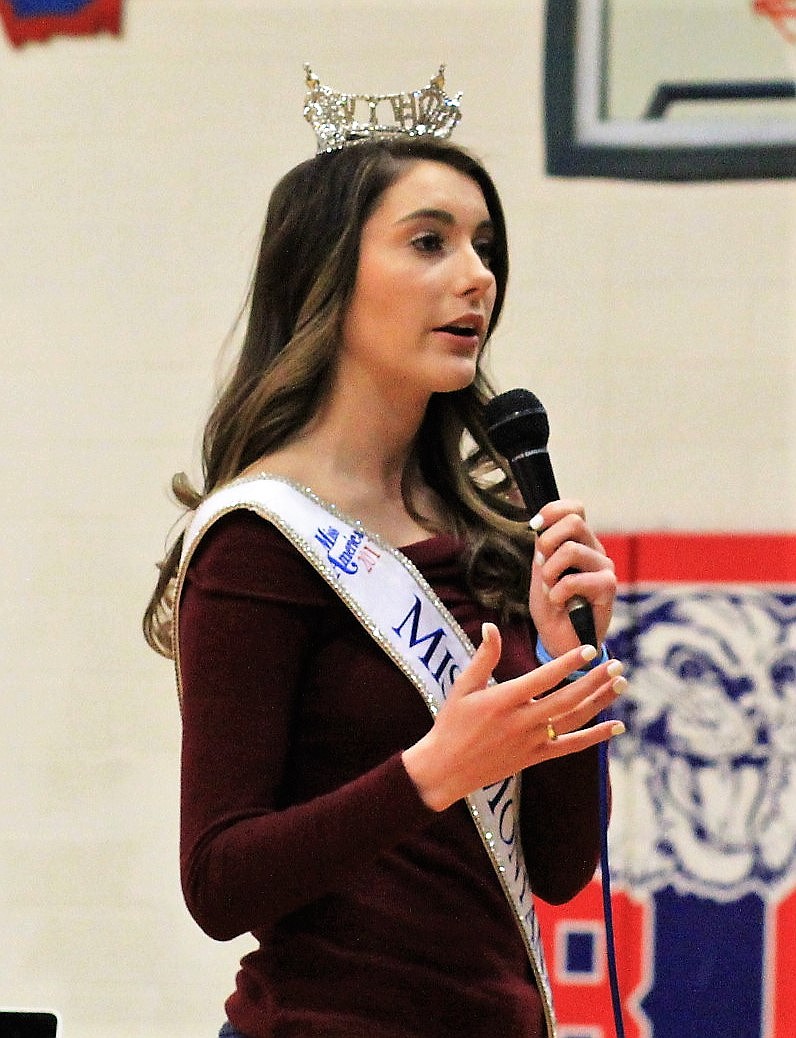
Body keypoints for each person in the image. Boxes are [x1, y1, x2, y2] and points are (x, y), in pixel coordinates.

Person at [143, 68, 626, 1038]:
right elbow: (217, 881)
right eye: (428, 242)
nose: (476, 275)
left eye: (483, 246)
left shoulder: (487, 540)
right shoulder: (262, 540)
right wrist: (430, 772)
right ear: (327, 275)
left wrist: (566, 650)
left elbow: (561, 867)